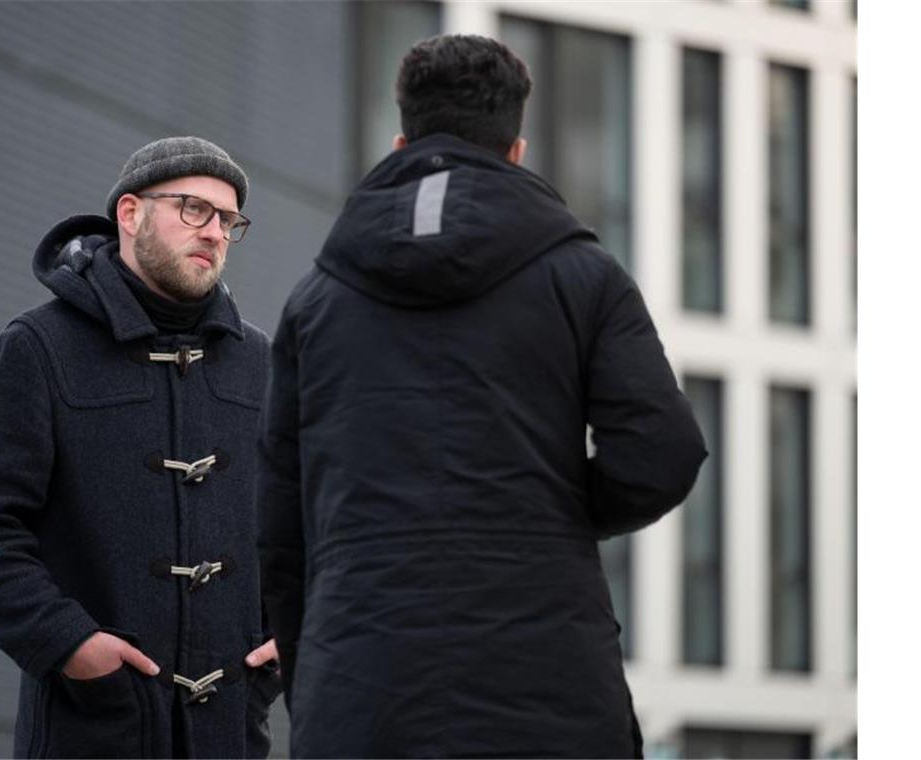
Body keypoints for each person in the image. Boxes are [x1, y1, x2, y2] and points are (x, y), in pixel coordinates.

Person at [257, 35, 707, 758]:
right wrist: (554, 517)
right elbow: (665, 451)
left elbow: (281, 524)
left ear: (401, 140)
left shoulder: (315, 302)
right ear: (517, 150)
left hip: (362, 691)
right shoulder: (585, 276)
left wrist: (317, 682)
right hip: (550, 687)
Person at [0, 136, 281, 759]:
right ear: (130, 213)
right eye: (193, 208)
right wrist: (71, 647)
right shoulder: (39, 346)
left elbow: (302, 527)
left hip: (231, 731)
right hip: (92, 729)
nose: (213, 232)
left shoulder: (258, 362)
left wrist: (286, 635)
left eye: (228, 220)